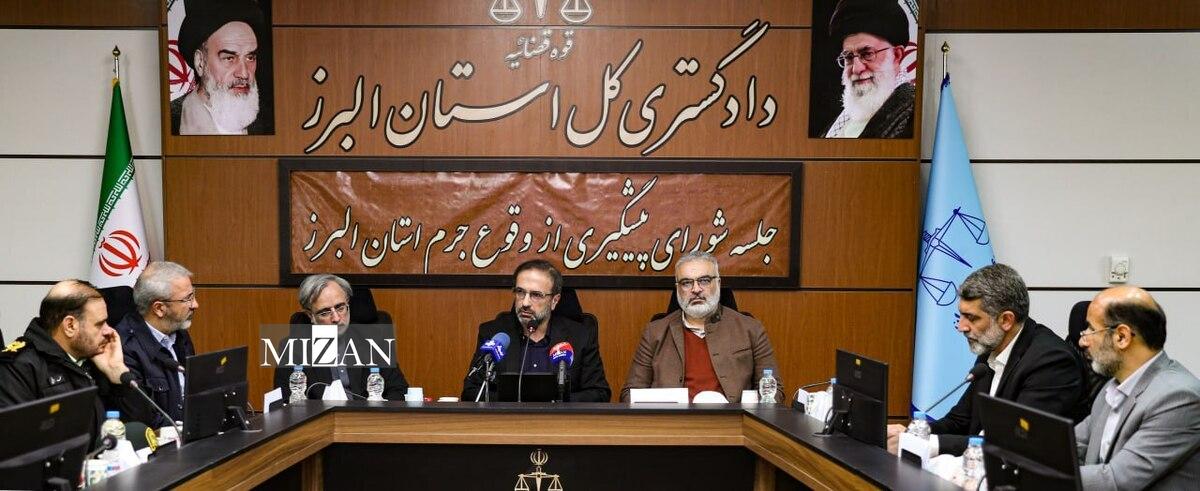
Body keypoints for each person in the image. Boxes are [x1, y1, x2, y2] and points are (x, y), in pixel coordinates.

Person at [886, 264, 1085, 456]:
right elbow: (960, 421)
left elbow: (1017, 441)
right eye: (961, 315)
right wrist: (913, 434)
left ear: (1006, 320)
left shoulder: (1051, 362)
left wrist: (930, 444)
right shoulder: (991, 347)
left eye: (971, 318)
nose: (961, 327)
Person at [1075, 286, 1200, 490]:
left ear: (1122, 337)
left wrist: (1039, 478)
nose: (1082, 341)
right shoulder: (1114, 387)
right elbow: (1071, 446)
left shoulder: (1178, 397)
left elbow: (1117, 481)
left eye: (1090, 329)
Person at [621, 251, 781, 403]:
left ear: (718, 283)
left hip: (732, 420)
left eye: (704, 280)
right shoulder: (654, 332)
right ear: (678, 288)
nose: (696, 289)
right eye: (686, 283)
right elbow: (629, 395)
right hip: (673, 421)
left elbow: (774, 392)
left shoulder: (750, 329)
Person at [0, 280, 134, 445]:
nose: (109, 331)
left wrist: (118, 373)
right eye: (99, 324)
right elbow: (16, 443)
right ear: (70, 326)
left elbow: (141, 429)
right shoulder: (19, 367)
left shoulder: (98, 358)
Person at [461, 259, 611, 402]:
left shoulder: (580, 336)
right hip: (508, 419)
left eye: (536, 295)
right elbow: (471, 391)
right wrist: (513, 402)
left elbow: (599, 393)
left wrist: (556, 404)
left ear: (554, 301)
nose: (525, 303)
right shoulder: (494, 334)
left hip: (561, 420)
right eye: (520, 292)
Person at [272, 274, 409, 400]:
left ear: (348, 303)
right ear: (310, 316)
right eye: (325, 312)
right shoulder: (293, 348)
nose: (336, 318)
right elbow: (286, 401)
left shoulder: (374, 339)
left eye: (340, 308)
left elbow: (399, 390)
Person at [113, 261, 197, 428]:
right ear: (159, 308)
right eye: (187, 299)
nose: (195, 305)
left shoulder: (179, 333)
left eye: (193, 295)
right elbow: (144, 419)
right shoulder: (124, 348)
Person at [171, 0, 266, 135]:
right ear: (200, 62)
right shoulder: (172, 120)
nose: (244, 74)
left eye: (250, 58)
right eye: (229, 58)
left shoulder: (264, 123)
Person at [823, 0, 915, 138]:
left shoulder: (912, 113)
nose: (856, 69)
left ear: (896, 56)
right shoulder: (843, 119)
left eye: (867, 54)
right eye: (848, 57)